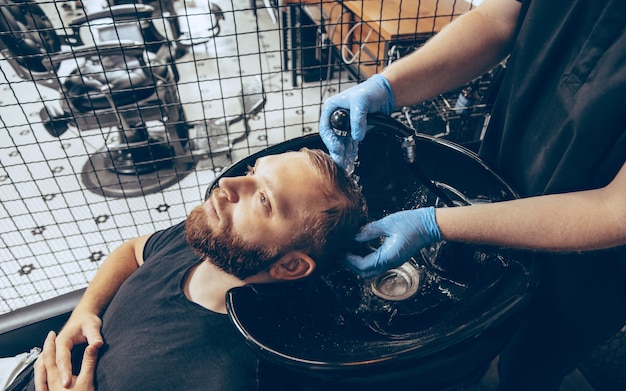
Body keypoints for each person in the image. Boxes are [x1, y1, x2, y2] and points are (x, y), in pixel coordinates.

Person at [318, 0, 626, 390]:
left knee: (538, 355)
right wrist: (388, 86)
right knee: (485, 317)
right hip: (512, 158)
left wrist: (434, 223)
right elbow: (499, 17)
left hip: (592, 257)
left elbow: (615, 211)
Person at [7, 148, 367, 391]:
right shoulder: (212, 240)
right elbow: (132, 252)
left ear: (290, 265)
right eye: (252, 171)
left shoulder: (222, 376)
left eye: (262, 199)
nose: (227, 185)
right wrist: (85, 311)